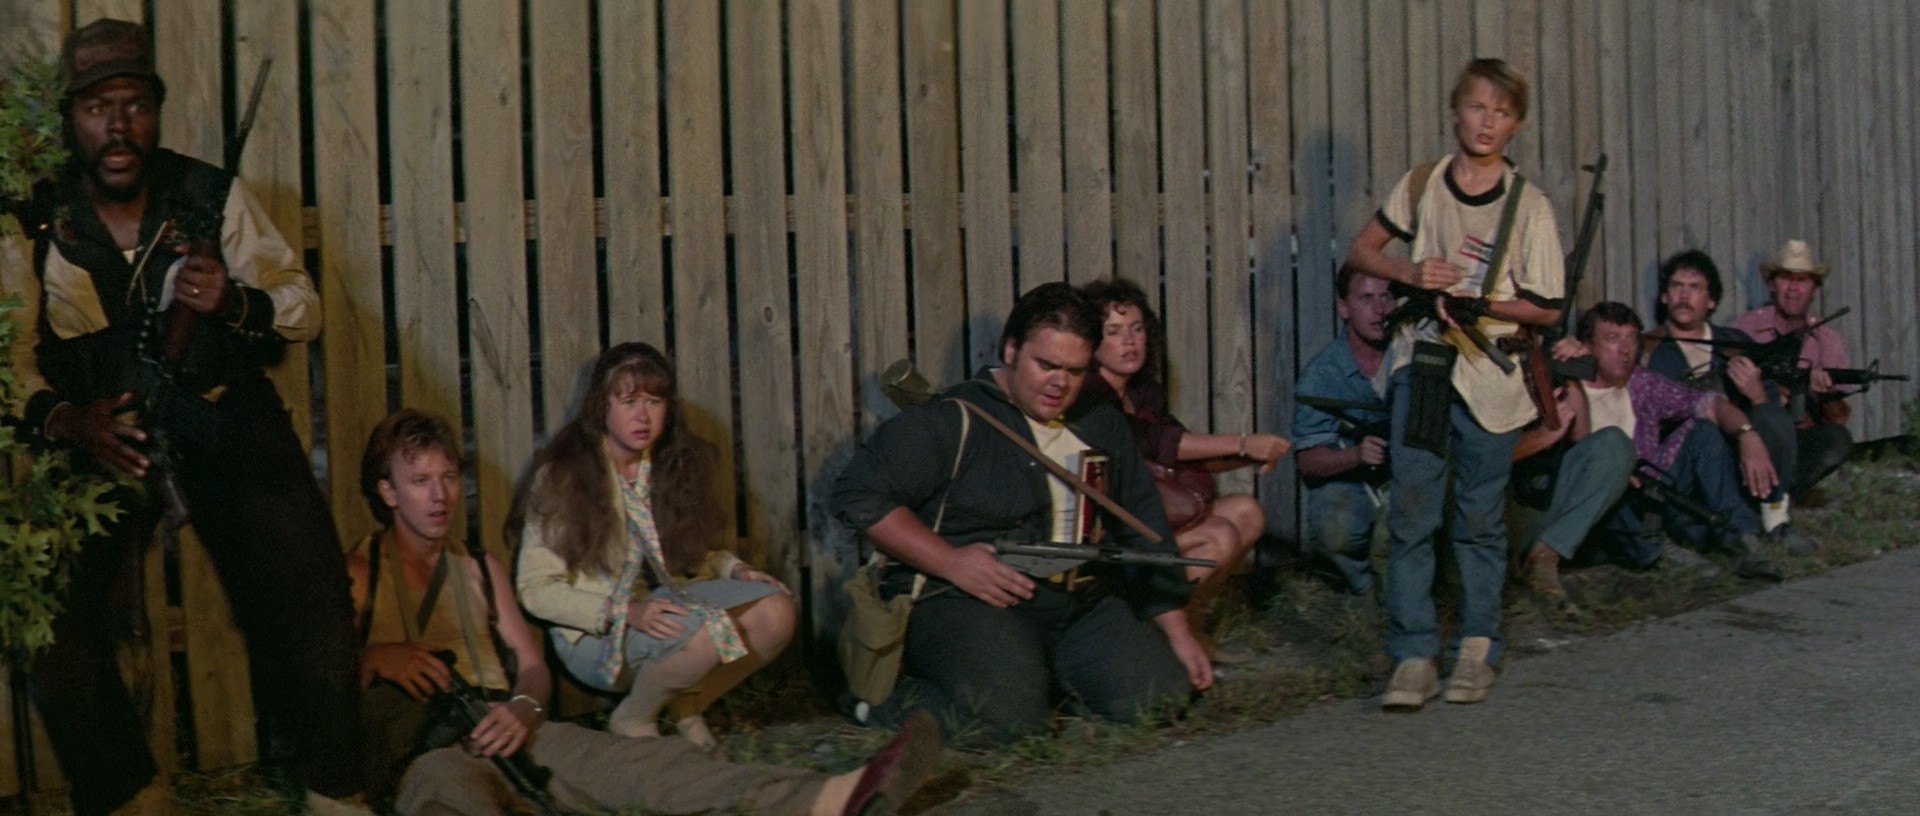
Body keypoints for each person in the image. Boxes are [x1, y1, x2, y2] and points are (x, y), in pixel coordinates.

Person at [10, 20, 364, 815]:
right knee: (54, 618)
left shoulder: (210, 195)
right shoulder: (35, 217)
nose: (118, 125)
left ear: (157, 112)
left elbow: (300, 304)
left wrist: (234, 302)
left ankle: (335, 786)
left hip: (222, 410)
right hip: (104, 435)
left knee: (308, 583)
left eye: (135, 104)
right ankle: (129, 794)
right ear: (71, 118)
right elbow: (11, 358)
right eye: (98, 107)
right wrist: (67, 421)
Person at [350, 409, 943, 816]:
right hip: (428, 748)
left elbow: (531, 668)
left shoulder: (479, 569)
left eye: (448, 478)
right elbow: (319, 688)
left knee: (653, 766)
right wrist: (374, 656)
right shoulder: (357, 573)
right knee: (448, 799)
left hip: (508, 727)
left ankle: (832, 798)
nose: (439, 496)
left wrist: (523, 708)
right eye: (419, 481)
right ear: (387, 491)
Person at [832, 282, 1210, 746]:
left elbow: (1143, 520)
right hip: (966, 599)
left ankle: (1040, 679)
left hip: (1075, 601)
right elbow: (858, 495)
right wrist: (951, 561)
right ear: (1011, 350)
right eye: (1046, 365)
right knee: (1009, 727)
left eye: (1075, 370)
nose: (1059, 383)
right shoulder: (952, 417)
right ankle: (880, 702)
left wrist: (1178, 631)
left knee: (1162, 699)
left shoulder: (1100, 422)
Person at [1344, 58, 1565, 711]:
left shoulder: (1530, 206)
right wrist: (1412, 273)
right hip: (1426, 365)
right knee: (1413, 512)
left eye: (1502, 112)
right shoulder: (1423, 184)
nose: (1487, 122)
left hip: (1491, 375)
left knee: (1479, 517)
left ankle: (1476, 645)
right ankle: (1413, 653)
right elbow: (1361, 251)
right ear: (1455, 111)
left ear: (1516, 124)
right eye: (1477, 107)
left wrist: (1483, 303)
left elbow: (1547, 308)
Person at [511, 342, 796, 750]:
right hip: (596, 634)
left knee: (776, 610)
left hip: (665, 610)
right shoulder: (563, 478)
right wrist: (624, 612)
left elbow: (691, 555)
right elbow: (535, 589)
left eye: (654, 401)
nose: (643, 416)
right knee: (705, 628)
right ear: (602, 407)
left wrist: (736, 570)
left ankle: (687, 706)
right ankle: (633, 718)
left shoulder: (670, 466)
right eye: (629, 402)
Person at [1077, 277, 1290, 663]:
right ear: (1091, 340)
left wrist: (1247, 456)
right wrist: (1244, 442)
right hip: (1113, 532)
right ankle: (1160, 635)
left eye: (1137, 329)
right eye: (1114, 332)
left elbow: (1181, 451)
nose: (1130, 341)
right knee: (1220, 535)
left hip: (1155, 518)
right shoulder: (1088, 394)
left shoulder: (1141, 393)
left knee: (1246, 511)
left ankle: (1190, 625)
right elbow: (1157, 443)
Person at [1525, 303, 1781, 594]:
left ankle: (1740, 537)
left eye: (1631, 339)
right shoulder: (1565, 385)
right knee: (1615, 466)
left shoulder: (1640, 383)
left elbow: (1711, 404)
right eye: (1612, 339)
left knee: (1703, 430)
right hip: (1601, 506)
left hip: (1652, 491)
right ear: (1586, 345)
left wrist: (1748, 436)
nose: (1625, 350)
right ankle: (1656, 551)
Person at [1639, 250, 1809, 553]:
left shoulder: (1734, 343)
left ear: (1711, 300)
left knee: (1772, 417)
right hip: (1684, 462)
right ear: (1664, 297)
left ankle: (1774, 518)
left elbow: (1773, 402)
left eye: (1695, 288)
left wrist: (1755, 394)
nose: (1684, 296)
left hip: (1740, 455)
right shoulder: (1647, 349)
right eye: (1676, 286)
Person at [1293, 266, 1394, 598]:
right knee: (1336, 528)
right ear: (1344, 308)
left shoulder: (1410, 357)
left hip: (1408, 477)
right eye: (1366, 298)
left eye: (1386, 297)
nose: (1379, 309)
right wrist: (1356, 455)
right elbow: (1308, 461)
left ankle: (1404, 598)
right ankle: (1362, 597)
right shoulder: (1322, 374)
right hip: (1353, 480)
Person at [1730, 239, 1855, 502]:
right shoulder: (1745, 328)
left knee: (1838, 440)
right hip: (1755, 431)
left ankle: (1780, 495)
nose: (1793, 288)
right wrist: (1768, 393)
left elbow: (1839, 418)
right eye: (1786, 278)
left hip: (1800, 436)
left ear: (1815, 289)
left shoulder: (1828, 339)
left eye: (1802, 280)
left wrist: (1825, 394)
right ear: (1772, 284)